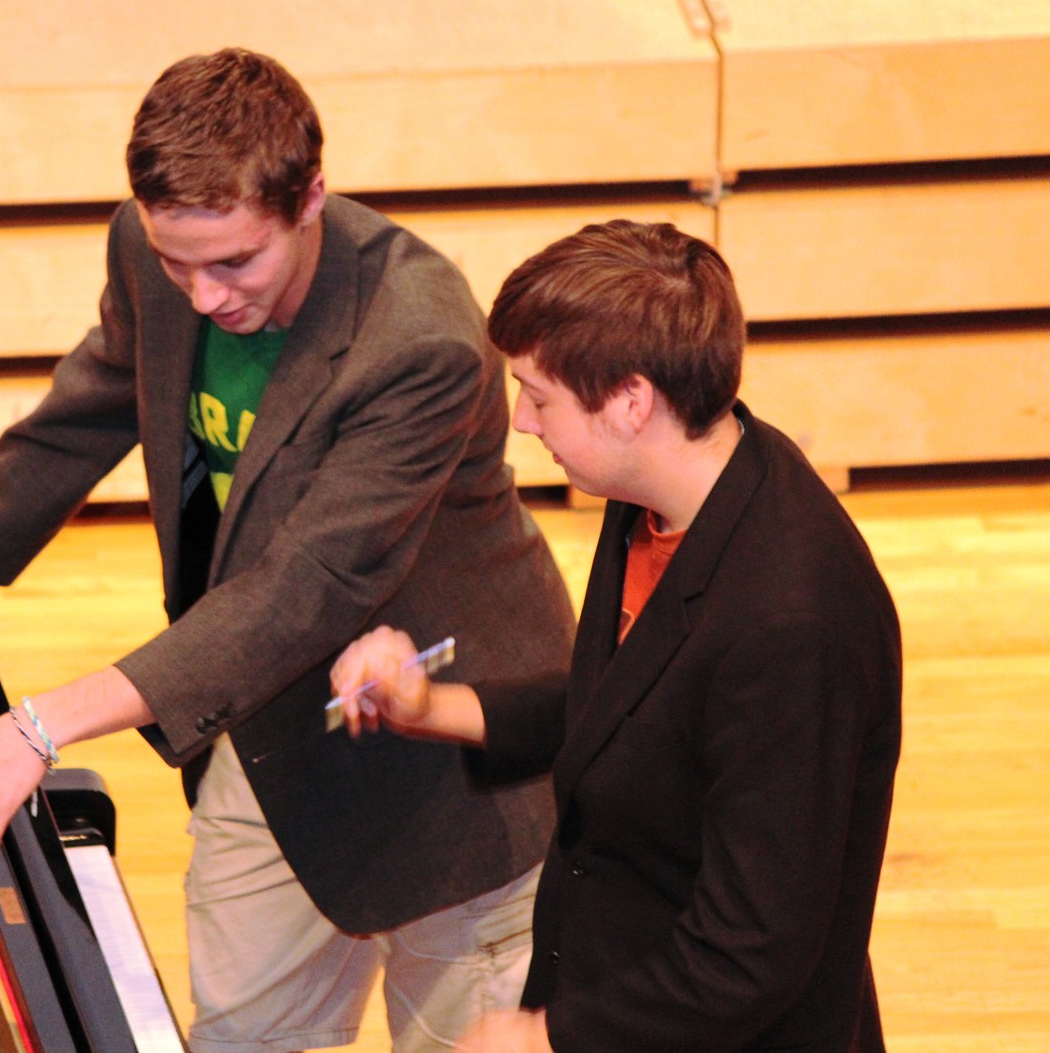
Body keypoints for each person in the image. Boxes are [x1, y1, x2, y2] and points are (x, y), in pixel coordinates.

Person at [0, 48, 576, 1052]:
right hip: (262, 724)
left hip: (450, 768)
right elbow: (105, 386)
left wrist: (37, 729)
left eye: (235, 264)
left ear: (311, 199)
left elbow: (307, 587)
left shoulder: (419, 338)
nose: (202, 296)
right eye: (178, 264)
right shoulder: (150, 241)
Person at [332, 220, 901, 1052]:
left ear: (631, 401)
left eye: (539, 395)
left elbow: (751, 952)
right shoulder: (660, 492)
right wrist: (430, 708)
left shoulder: (792, 624)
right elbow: (638, 702)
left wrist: (546, 1037)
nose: (522, 421)